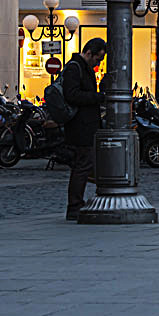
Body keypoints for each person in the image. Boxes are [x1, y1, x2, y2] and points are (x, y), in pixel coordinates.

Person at [62, 38, 107, 221]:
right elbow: (72, 95)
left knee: (86, 165)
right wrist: (97, 97)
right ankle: (75, 205)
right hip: (80, 126)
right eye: (98, 59)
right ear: (89, 53)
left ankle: (82, 202)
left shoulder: (82, 67)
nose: (98, 63)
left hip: (86, 125)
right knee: (82, 166)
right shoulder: (75, 68)